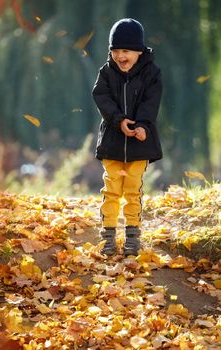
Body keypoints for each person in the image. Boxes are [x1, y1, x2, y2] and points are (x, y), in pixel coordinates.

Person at [92, 18, 163, 256]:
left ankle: (133, 234)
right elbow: (101, 97)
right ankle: (108, 235)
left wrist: (142, 125)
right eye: (115, 51)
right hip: (113, 141)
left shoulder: (151, 73)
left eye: (126, 51)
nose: (120, 56)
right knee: (111, 189)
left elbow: (151, 101)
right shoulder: (106, 72)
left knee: (133, 189)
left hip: (139, 144)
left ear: (139, 52)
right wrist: (118, 120)